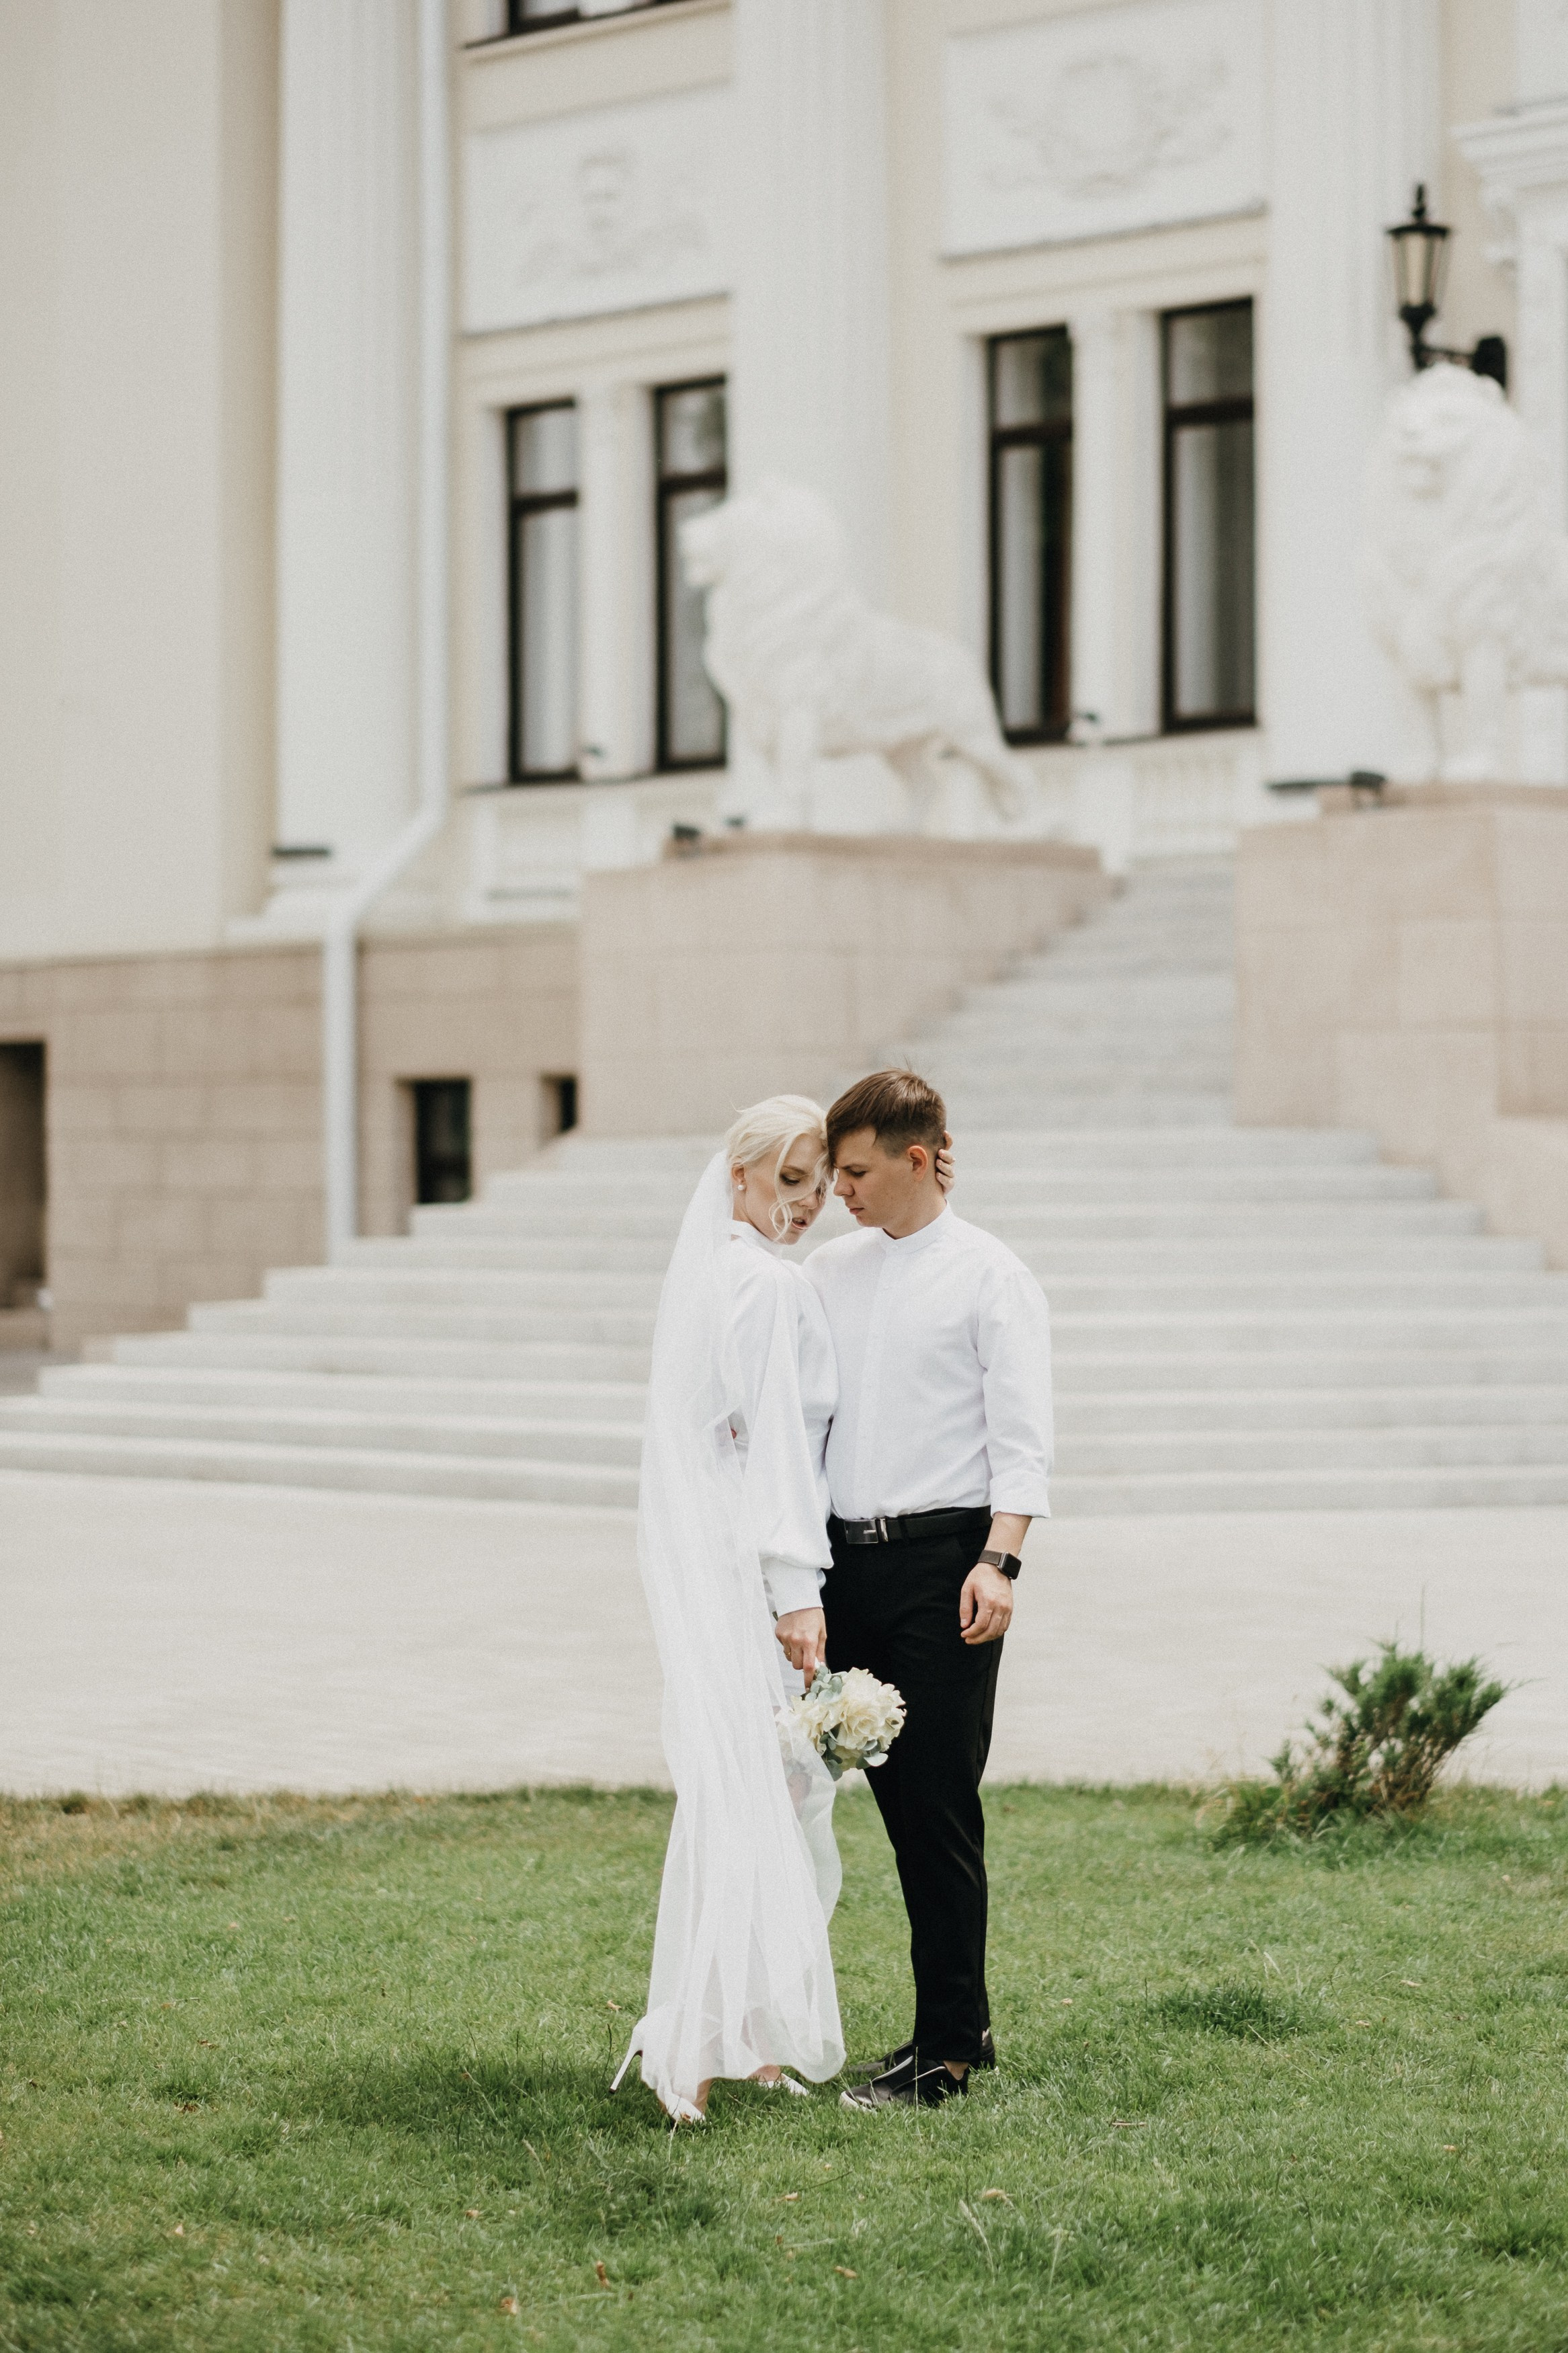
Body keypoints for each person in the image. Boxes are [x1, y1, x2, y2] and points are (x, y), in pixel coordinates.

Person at [804, 1068, 1053, 2111]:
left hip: (946, 1570)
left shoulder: (992, 1275)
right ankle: (964, 2023)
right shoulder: (827, 1270)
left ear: (917, 1160)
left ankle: (944, 2054)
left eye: (857, 1173)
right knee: (873, 1804)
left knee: (936, 1811)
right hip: (840, 1568)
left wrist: (1000, 1562)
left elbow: (1021, 1436)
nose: (840, 1191)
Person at [611, 1097, 845, 2124]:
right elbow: (776, 1447)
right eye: (790, 1180)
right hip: (749, 1571)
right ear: (739, 1176)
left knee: (760, 1794)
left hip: (717, 1556)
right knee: (748, 1797)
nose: (807, 1202)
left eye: (820, 1184)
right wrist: (795, 1593)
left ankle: (748, 2039)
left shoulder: (720, 1276)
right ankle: (690, 2052)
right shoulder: (766, 1285)